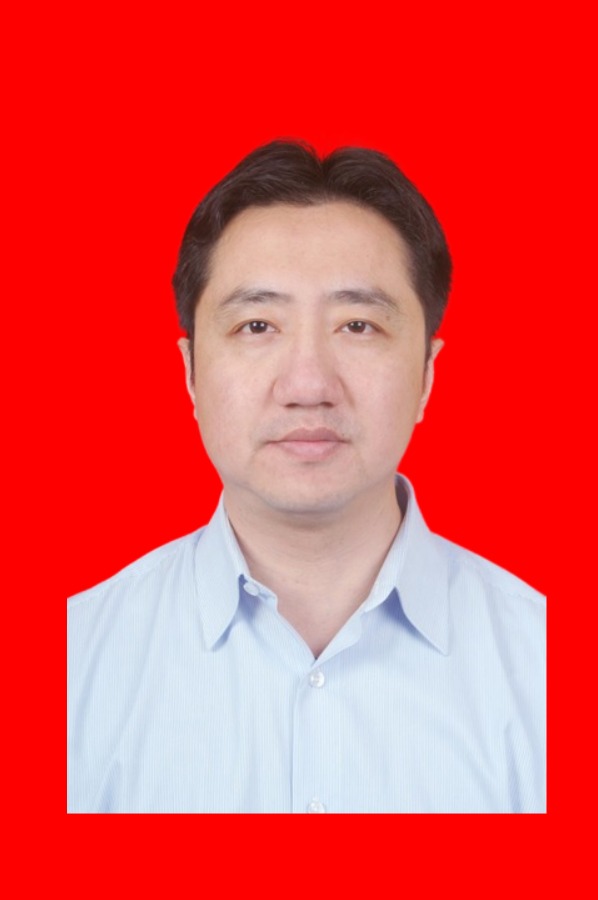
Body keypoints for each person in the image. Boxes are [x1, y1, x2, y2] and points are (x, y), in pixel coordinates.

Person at [67, 140, 546, 814]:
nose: (307, 385)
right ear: (191, 373)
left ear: (427, 376)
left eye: (358, 325)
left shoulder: (546, 667)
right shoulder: (74, 661)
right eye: (257, 324)